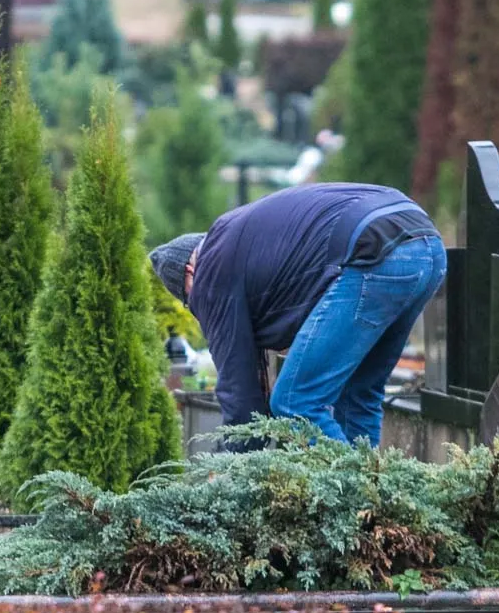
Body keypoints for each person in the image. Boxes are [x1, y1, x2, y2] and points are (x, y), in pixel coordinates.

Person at [150, 182, 445, 447]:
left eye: (190, 299)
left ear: (190, 272)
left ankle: (358, 494)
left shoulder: (211, 270)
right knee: (358, 397)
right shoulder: (244, 244)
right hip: (426, 245)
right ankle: (366, 505)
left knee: (295, 401)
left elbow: (241, 405)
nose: (201, 309)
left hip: (374, 252)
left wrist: (229, 477)